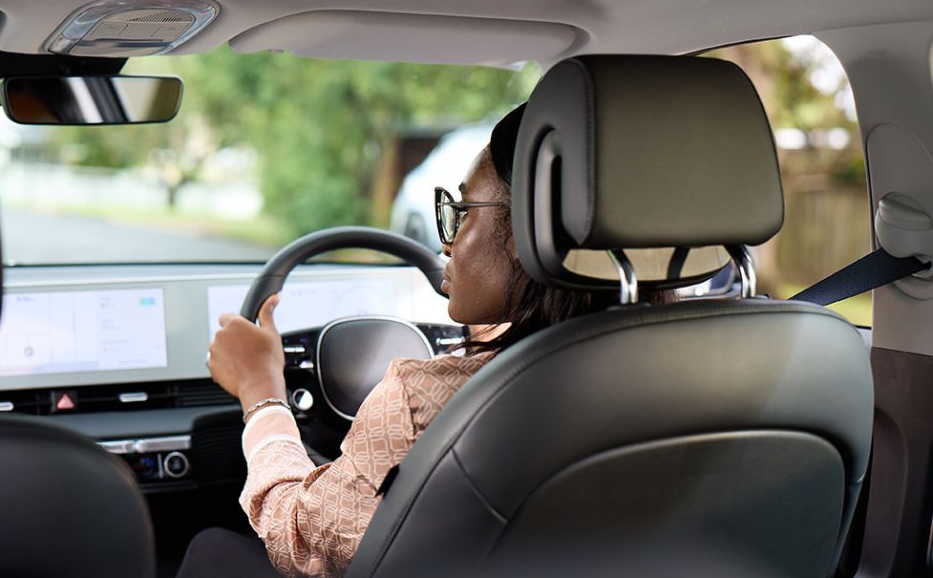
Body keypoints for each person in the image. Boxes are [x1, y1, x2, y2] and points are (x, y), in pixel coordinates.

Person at [181, 103, 673, 577]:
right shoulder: (702, 363)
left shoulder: (423, 401)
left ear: (530, 236)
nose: (446, 241)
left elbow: (298, 539)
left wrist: (261, 393)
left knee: (212, 549)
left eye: (462, 212)